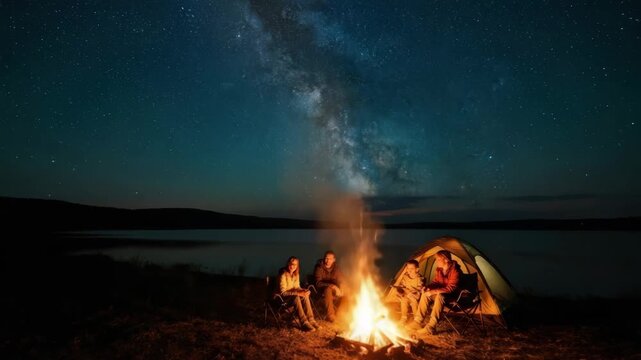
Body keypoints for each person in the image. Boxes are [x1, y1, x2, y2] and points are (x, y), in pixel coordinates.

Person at [408, 250, 461, 335]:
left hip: (452, 296)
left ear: (446, 260)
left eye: (438, 259)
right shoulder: (439, 270)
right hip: (441, 293)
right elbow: (436, 282)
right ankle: (417, 322)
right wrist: (427, 287)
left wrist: (433, 291)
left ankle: (431, 327)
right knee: (426, 294)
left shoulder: (455, 271)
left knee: (440, 296)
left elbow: (451, 288)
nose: (436, 261)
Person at [279, 256, 320, 331]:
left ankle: (311, 320)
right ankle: (304, 323)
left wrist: (304, 290)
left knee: (305, 295)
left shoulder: (296, 275)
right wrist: (298, 293)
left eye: (295, 264)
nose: (292, 266)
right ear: (288, 264)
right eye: (291, 264)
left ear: (297, 266)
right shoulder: (283, 275)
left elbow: (297, 287)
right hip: (283, 300)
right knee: (296, 297)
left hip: (292, 297)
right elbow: (283, 293)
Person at [313, 250, 343, 322]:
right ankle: (331, 315)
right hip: (321, 290)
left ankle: (344, 313)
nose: (327, 260)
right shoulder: (319, 267)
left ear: (334, 260)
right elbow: (318, 283)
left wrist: (342, 286)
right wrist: (333, 286)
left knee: (348, 290)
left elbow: (341, 280)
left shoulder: (336, 268)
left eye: (330, 259)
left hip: (334, 290)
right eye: (326, 258)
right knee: (327, 289)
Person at [395, 259, 425, 324]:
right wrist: (400, 291)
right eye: (408, 268)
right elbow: (402, 286)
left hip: (416, 296)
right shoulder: (405, 277)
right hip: (407, 295)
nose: (409, 270)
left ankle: (416, 319)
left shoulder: (419, 278)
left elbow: (420, 289)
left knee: (414, 302)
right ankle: (404, 318)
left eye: (412, 268)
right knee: (404, 300)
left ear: (417, 269)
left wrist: (411, 292)